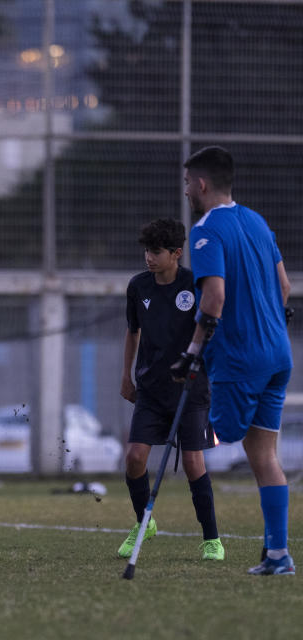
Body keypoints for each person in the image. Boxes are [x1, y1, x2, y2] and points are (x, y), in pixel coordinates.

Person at [174, 146, 294, 575]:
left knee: (220, 433)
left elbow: (215, 297)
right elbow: (283, 286)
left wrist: (192, 353)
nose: (186, 190)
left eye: (188, 183)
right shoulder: (257, 221)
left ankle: (271, 553)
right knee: (265, 454)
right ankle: (278, 555)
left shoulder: (206, 230)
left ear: (201, 184)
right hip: (279, 354)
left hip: (241, 360)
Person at [118, 218, 222, 561]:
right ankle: (142, 523)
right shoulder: (138, 287)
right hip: (150, 389)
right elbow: (133, 333)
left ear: (176, 253)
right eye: (147, 250)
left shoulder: (196, 285)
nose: (149, 257)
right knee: (134, 458)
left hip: (190, 390)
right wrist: (126, 376)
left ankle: (211, 539)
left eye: (157, 251)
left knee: (193, 463)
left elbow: (211, 327)